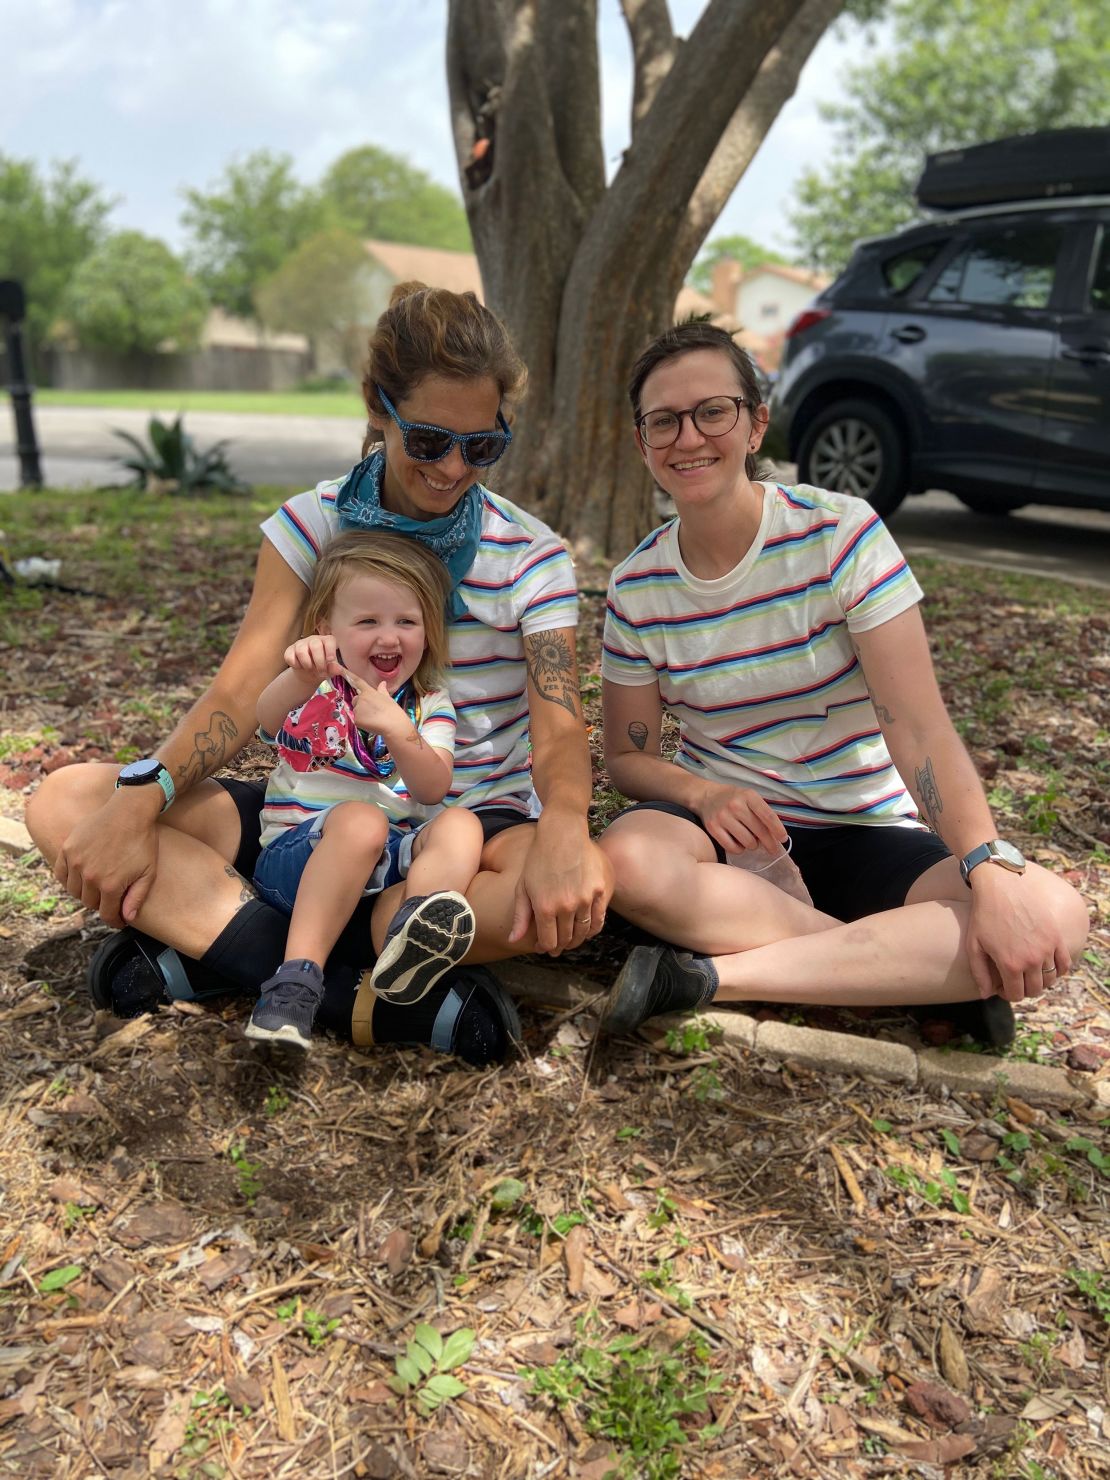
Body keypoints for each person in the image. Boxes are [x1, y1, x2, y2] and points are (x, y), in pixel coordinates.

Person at [26, 283, 612, 1067]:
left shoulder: (530, 553)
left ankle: (226, 957)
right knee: (67, 803)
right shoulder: (311, 523)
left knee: (576, 890)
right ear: (378, 405)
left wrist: (569, 830)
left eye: (482, 447)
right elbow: (239, 694)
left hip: (461, 836)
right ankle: (359, 999)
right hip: (314, 811)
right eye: (431, 440)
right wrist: (145, 799)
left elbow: (560, 722)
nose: (452, 469)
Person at [597, 321, 1088, 1043]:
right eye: (663, 421)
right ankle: (897, 972)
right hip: (736, 838)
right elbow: (629, 759)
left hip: (868, 829)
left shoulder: (840, 535)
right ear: (642, 444)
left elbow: (918, 728)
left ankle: (705, 979)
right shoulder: (637, 585)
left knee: (1053, 915)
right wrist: (707, 793)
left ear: (757, 423)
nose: (689, 437)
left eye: (713, 411)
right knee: (628, 860)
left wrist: (986, 868)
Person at [246, 530, 484, 1050]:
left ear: (429, 631)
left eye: (406, 621)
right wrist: (300, 674)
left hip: (385, 861)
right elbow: (265, 718)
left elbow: (433, 786)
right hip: (300, 859)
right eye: (368, 621)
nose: (389, 637)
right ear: (326, 629)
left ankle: (411, 934)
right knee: (361, 821)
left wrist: (400, 730)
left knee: (462, 825)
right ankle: (294, 982)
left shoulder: (427, 703)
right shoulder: (320, 687)